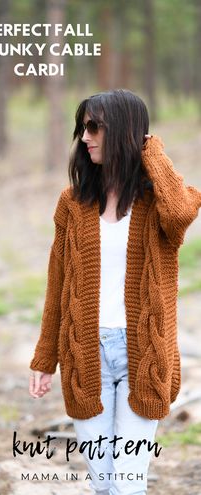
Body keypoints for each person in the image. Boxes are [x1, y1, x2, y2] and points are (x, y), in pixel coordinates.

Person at [29, 88, 201, 495]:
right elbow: (57, 285)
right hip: (84, 355)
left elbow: (181, 211)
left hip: (145, 356)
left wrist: (150, 148)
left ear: (124, 133)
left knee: (127, 484)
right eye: (81, 127)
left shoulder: (157, 204)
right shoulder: (71, 203)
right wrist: (44, 356)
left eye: (94, 127)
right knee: (103, 483)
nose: (84, 137)